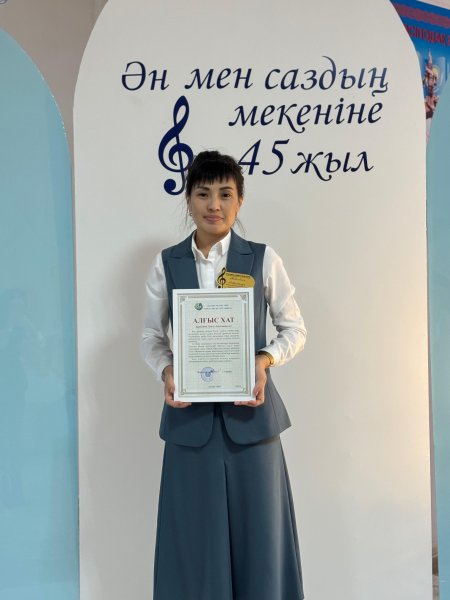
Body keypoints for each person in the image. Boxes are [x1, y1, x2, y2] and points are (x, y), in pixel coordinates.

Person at [141, 150, 307, 600]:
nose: (214, 205)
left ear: (240, 200)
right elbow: (151, 336)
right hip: (189, 424)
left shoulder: (263, 259)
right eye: (203, 194)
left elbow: (294, 329)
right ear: (188, 200)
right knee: (194, 546)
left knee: (262, 542)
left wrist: (263, 360)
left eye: (225, 194)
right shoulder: (167, 263)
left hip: (253, 422)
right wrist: (167, 369)